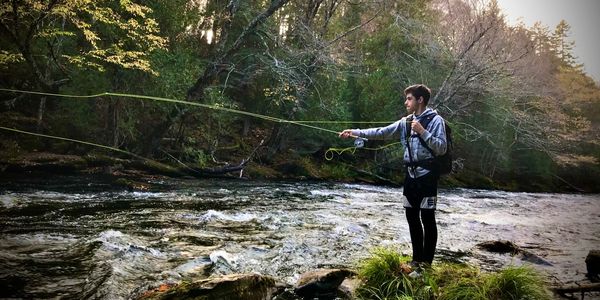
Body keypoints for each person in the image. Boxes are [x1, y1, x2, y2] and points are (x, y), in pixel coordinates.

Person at [339, 84, 447, 266]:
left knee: (427, 218)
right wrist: (354, 132)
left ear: (420, 100)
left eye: (409, 99)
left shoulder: (437, 121)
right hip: (410, 176)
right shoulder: (405, 122)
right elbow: (382, 132)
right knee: (412, 217)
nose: (406, 102)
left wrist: (422, 131)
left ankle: (426, 264)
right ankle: (416, 260)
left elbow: (442, 148)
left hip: (428, 175)